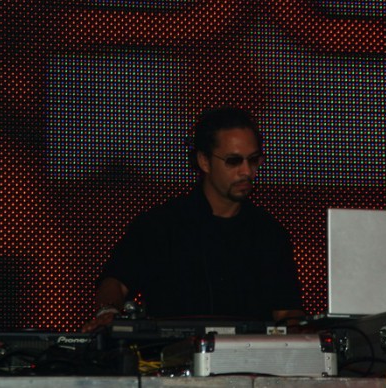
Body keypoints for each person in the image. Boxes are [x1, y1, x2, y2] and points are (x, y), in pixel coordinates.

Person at [82, 107, 303, 332]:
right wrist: (108, 311)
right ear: (204, 161)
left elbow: (287, 313)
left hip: (252, 354)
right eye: (233, 161)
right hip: (172, 352)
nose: (247, 171)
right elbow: (116, 282)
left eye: (254, 160)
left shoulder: (269, 233)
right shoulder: (160, 225)